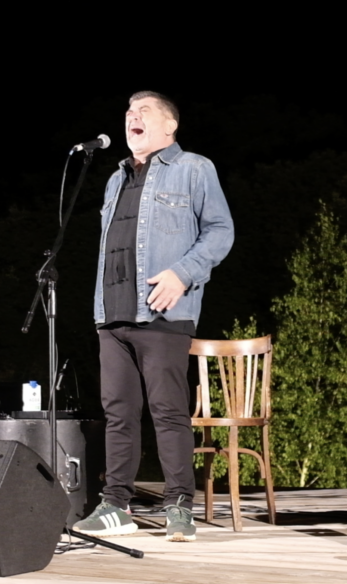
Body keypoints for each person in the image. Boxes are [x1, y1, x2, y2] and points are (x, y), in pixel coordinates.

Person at [73, 91, 234, 542]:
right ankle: (116, 506)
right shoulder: (115, 179)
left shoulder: (193, 168)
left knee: (168, 411)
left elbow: (221, 230)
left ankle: (179, 505)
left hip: (163, 310)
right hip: (113, 313)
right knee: (118, 413)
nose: (132, 117)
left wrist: (183, 274)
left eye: (144, 111)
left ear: (170, 126)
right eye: (128, 112)